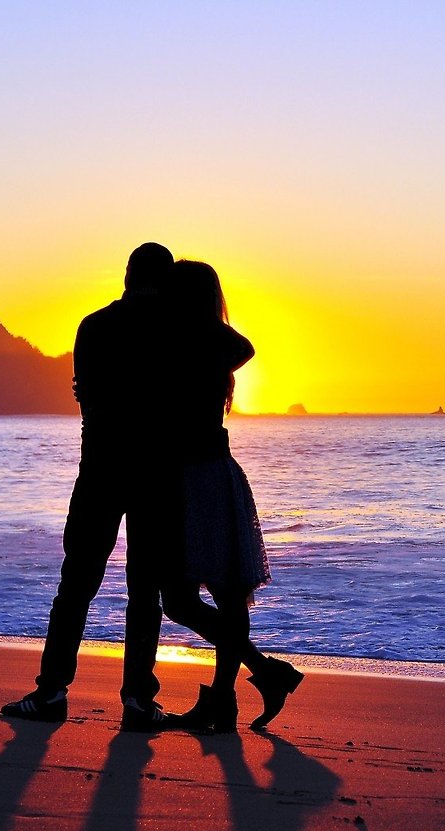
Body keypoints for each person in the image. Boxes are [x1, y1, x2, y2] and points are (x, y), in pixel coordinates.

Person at [1, 242, 179, 731]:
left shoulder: (94, 326)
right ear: (165, 281)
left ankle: (52, 692)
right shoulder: (175, 330)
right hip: (155, 476)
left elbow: (88, 399)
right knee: (145, 593)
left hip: (99, 469)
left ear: (125, 275)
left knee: (76, 585)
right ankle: (139, 702)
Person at [159, 259, 302, 732]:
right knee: (188, 599)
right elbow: (240, 344)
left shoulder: (191, 342)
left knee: (211, 595)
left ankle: (228, 696)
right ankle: (263, 672)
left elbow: (243, 344)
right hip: (196, 478)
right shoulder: (197, 342)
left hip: (201, 479)